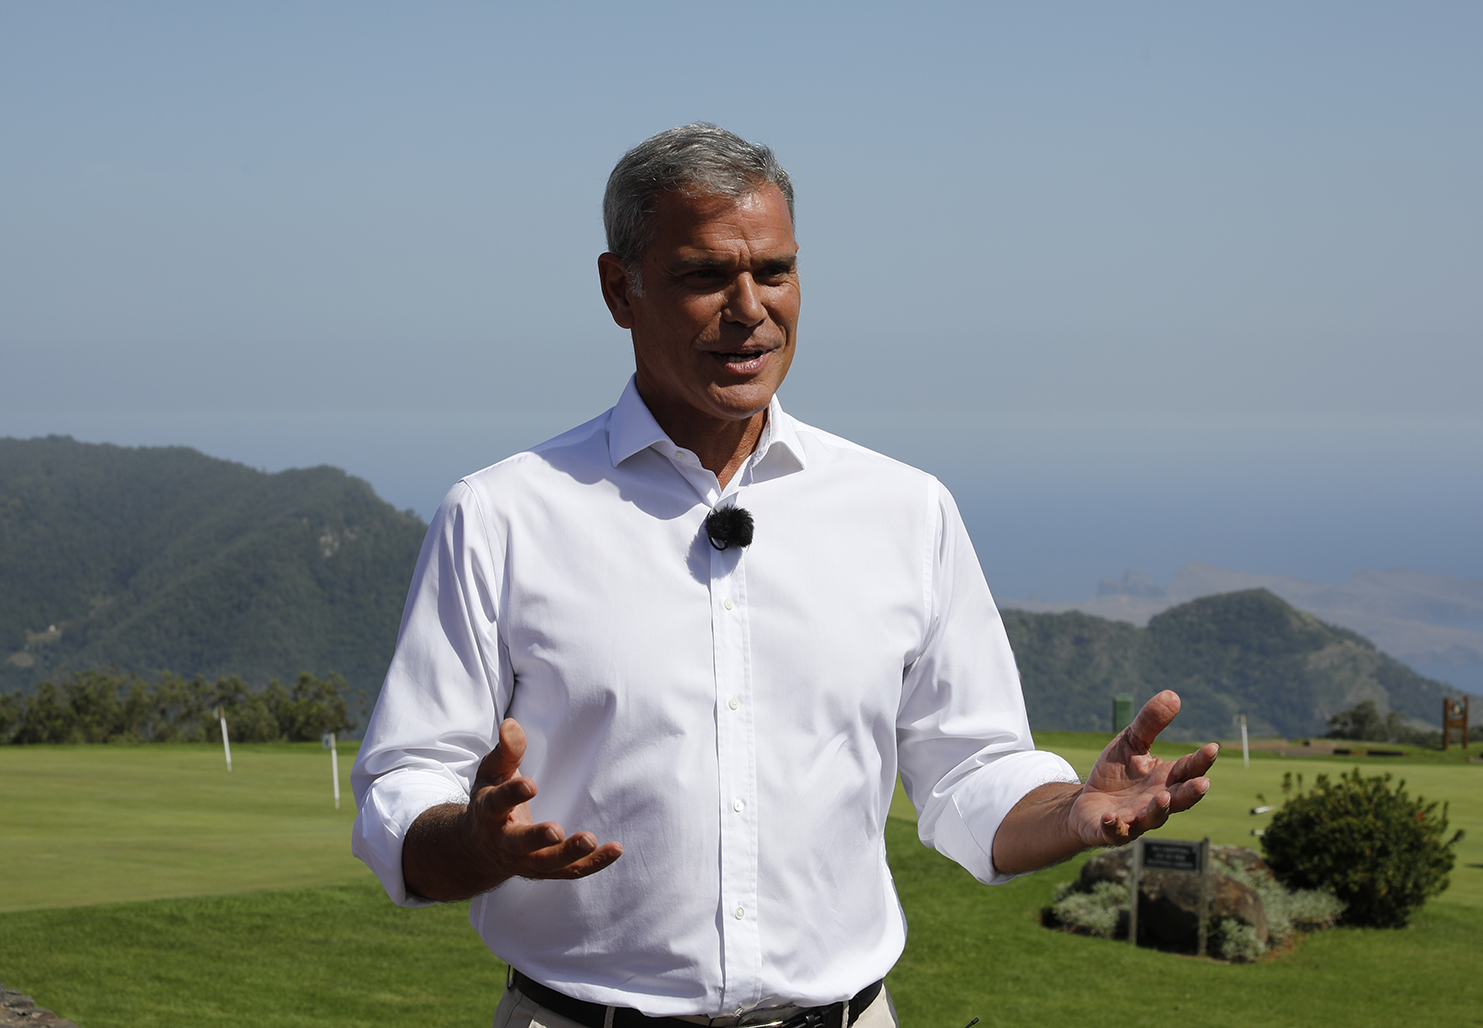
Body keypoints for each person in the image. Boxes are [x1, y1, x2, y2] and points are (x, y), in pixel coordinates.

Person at [351, 123, 1217, 1028]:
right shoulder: (502, 515)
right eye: (704, 275)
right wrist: (476, 845)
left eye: (774, 271)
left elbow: (974, 771)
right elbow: (406, 784)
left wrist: (1071, 811)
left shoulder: (905, 509)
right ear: (619, 289)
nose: (749, 309)